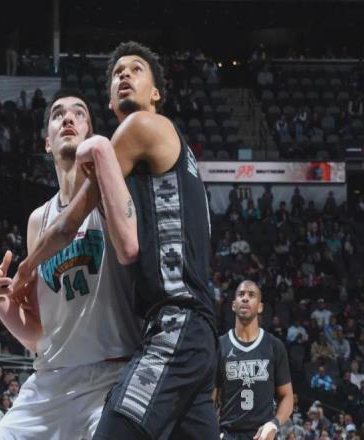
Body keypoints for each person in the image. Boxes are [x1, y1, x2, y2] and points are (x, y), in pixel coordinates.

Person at [12, 41, 218, 439]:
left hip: (174, 324)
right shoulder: (166, 156)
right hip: (197, 329)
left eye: (136, 69)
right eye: (117, 72)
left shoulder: (140, 127)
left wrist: (26, 268)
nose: (124, 74)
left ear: (155, 93)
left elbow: (70, 226)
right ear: (109, 100)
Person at [0, 89, 141, 439]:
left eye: (79, 113)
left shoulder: (110, 193)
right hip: (52, 379)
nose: (68, 118)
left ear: (90, 134)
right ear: (47, 143)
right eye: (58, 114)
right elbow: (39, 335)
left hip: (112, 374)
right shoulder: (37, 220)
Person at [213, 280, 293, 440]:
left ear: (260, 307)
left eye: (251, 295)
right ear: (233, 305)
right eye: (241, 294)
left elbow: (287, 396)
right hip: (228, 434)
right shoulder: (219, 346)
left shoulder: (274, 346)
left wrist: (274, 424)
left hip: (263, 434)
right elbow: (210, 399)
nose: (245, 298)